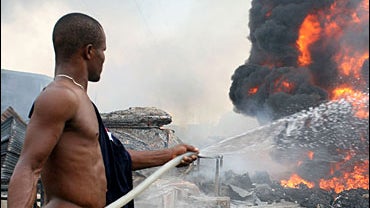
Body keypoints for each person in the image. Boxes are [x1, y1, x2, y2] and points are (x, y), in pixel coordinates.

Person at [8, 12, 199, 208]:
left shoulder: (81, 101)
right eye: (103, 50)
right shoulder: (59, 96)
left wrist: (169, 156)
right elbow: (28, 167)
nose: (104, 58)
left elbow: (114, 159)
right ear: (89, 52)